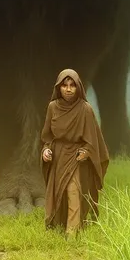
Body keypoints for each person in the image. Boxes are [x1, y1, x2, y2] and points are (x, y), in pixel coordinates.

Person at [40, 68, 109, 238]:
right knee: (57, 193)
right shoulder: (52, 107)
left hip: (75, 158)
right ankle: (56, 228)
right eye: (65, 85)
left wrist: (86, 152)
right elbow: (47, 136)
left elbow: (93, 140)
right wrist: (46, 150)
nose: (68, 89)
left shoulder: (85, 109)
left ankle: (72, 233)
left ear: (78, 87)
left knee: (73, 192)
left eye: (72, 85)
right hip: (58, 156)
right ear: (59, 87)